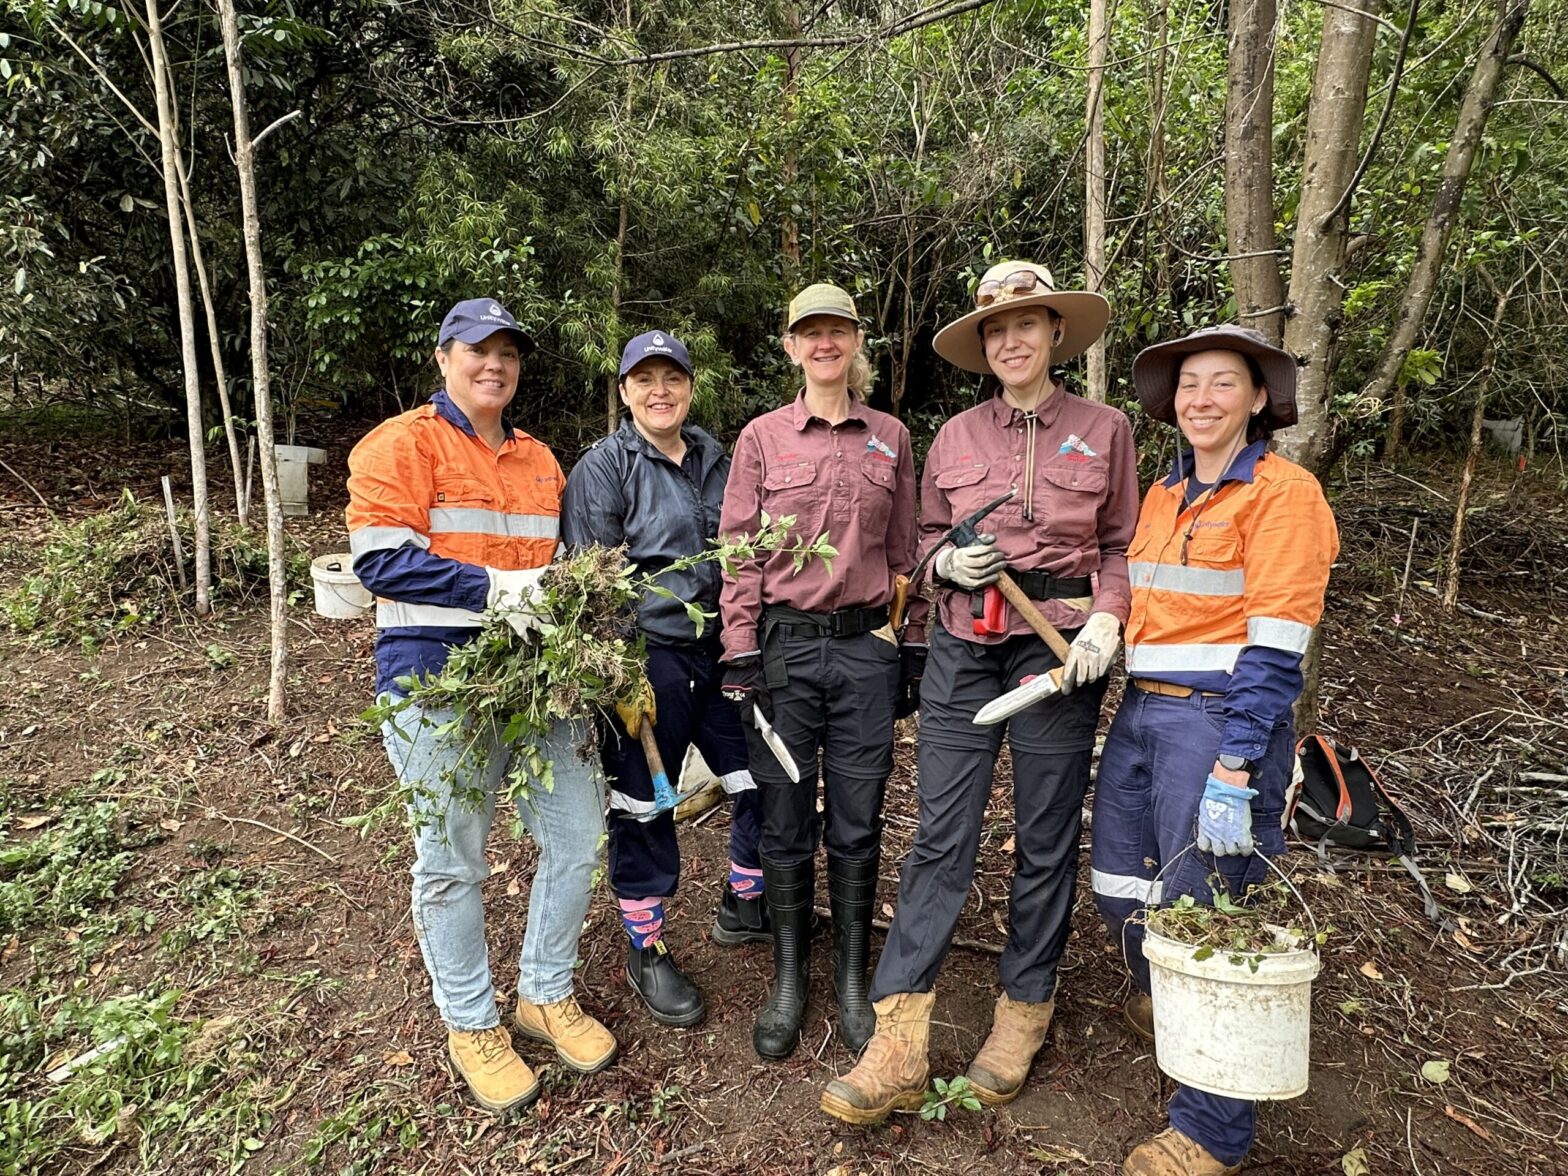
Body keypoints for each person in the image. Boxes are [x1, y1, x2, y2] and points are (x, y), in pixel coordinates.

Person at [822, 261, 1139, 1125]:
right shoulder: (955, 434)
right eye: (996, 330)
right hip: (965, 646)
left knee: (1043, 834)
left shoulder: (1106, 428)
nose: (1011, 340)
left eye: (1026, 325)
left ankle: (1023, 1009)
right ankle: (899, 1034)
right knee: (940, 832)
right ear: (983, 344)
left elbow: (1120, 545)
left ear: (1055, 334)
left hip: (1057, 653)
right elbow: (922, 542)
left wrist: (1107, 622)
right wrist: (943, 565)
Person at [346, 298, 615, 1115]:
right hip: (435, 681)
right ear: (444, 357)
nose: (492, 364)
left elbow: (562, 566)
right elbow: (381, 563)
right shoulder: (401, 445)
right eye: (476, 350)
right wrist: (494, 589)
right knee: (452, 859)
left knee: (578, 834)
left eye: (507, 352)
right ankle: (471, 1022)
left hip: (536, 683)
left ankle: (543, 991)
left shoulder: (541, 460)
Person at [1090, 325, 1338, 1175]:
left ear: (1259, 399)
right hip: (1141, 712)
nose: (1201, 398)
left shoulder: (1284, 494)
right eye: (1189, 383)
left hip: (1217, 723)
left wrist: (1236, 764)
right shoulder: (1162, 494)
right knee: (1121, 884)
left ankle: (1211, 1130)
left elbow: (1274, 646)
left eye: (1223, 384)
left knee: (1208, 908)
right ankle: (1163, 996)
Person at [717, 282, 921, 1061]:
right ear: (790, 346)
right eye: (810, 333)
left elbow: (906, 553)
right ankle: (791, 978)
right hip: (785, 652)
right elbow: (738, 552)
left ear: (856, 340)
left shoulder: (892, 438)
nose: (824, 343)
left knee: (860, 817)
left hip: (867, 650)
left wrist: (912, 645)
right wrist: (740, 649)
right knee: (785, 814)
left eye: (837, 330)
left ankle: (852, 978)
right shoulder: (763, 439)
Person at [561, 330, 768, 1029]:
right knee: (646, 802)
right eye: (644, 379)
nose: (660, 390)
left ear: (689, 385)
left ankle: (745, 899)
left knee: (760, 777)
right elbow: (592, 576)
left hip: (728, 648)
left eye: (671, 377)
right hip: (651, 656)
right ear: (624, 391)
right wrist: (619, 669)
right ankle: (645, 946)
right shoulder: (604, 467)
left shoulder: (720, 457)